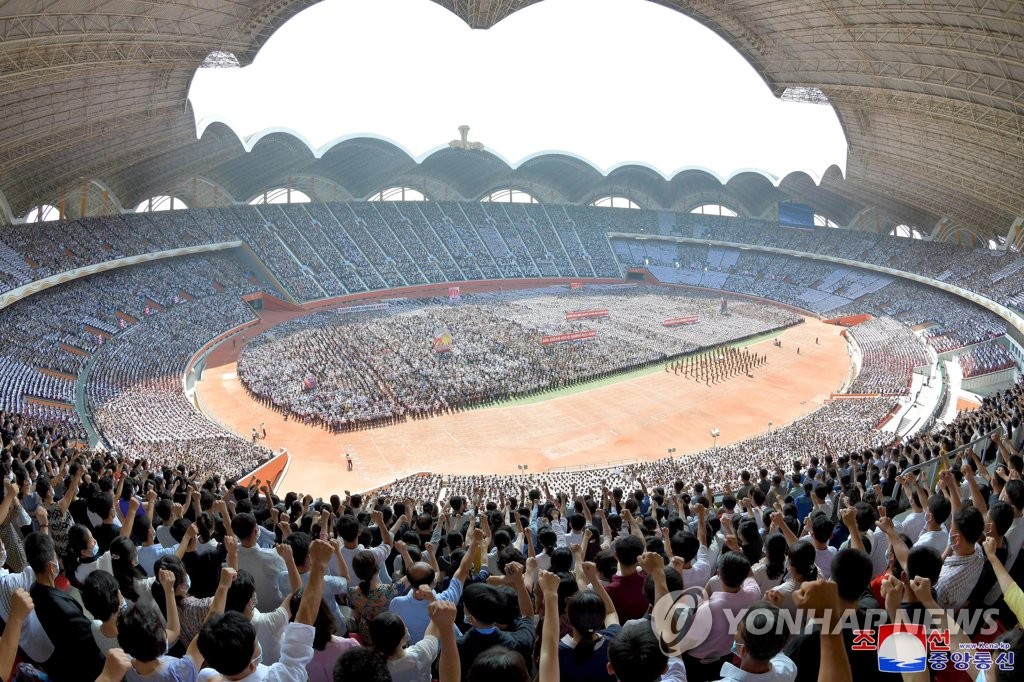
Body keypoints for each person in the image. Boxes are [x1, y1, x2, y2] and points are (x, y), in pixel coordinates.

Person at [26, 531, 105, 681]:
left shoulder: (34, 590)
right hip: (90, 665)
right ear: (51, 566)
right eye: (55, 556)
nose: (58, 560)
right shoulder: (62, 607)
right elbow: (90, 639)